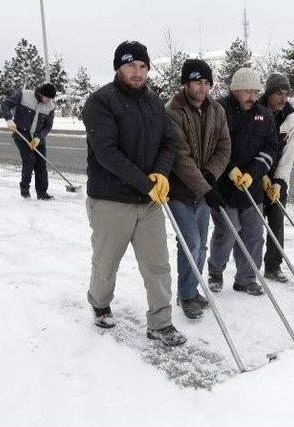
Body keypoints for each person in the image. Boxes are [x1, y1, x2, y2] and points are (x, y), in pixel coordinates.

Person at [82, 40, 186, 346]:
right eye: (131, 66)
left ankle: (161, 323)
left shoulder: (154, 102)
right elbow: (107, 154)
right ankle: (99, 303)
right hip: (111, 201)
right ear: (118, 67)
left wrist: (162, 174)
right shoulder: (100, 102)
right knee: (106, 262)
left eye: (142, 66)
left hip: (149, 202)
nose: (138, 72)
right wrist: (147, 184)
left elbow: (169, 143)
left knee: (157, 265)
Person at [165, 59, 231, 319]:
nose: (202, 88)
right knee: (190, 242)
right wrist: (205, 186)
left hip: (204, 188)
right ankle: (187, 294)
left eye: (206, 83)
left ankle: (191, 289)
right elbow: (180, 157)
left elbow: (224, 147)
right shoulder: (173, 111)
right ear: (186, 83)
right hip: (179, 190)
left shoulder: (216, 110)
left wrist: (210, 174)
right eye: (197, 82)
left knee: (201, 245)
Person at [207, 67, 278, 296]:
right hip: (224, 186)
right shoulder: (218, 110)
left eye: (256, 92)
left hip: (252, 186)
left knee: (254, 234)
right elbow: (210, 146)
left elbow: (270, 147)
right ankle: (216, 272)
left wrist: (254, 172)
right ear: (235, 89)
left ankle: (246, 279)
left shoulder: (264, 115)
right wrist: (229, 170)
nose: (253, 97)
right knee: (227, 232)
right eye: (248, 91)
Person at [258, 73, 294, 283]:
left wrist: (278, 182)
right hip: (255, 177)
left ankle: (273, 266)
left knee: (276, 222)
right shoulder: (256, 113)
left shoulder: (291, 121)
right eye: (278, 93)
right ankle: (249, 269)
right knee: (253, 226)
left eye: (286, 94)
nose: (283, 98)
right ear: (268, 93)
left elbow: (288, 156)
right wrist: (261, 176)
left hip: (277, 179)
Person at [0, 82, 57, 199]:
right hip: (21, 134)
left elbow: (48, 126)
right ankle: (24, 188)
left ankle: (42, 193)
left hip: (37, 137)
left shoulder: (50, 107)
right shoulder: (24, 95)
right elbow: (5, 104)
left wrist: (39, 138)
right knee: (30, 160)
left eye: (50, 98)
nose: (47, 100)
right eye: (46, 97)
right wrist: (9, 120)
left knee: (41, 164)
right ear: (40, 93)